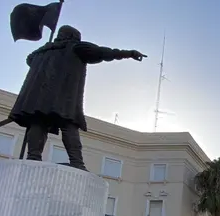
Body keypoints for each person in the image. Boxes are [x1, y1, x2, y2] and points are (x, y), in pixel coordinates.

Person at [9, 25, 146, 170]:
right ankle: (77, 162)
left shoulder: (40, 52)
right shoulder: (76, 47)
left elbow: (29, 60)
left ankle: (33, 158)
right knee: (69, 125)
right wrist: (129, 53)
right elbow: (102, 52)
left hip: (39, 97)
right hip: (64, 96)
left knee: (38, 123)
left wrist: (49, 49)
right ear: (73, 37)